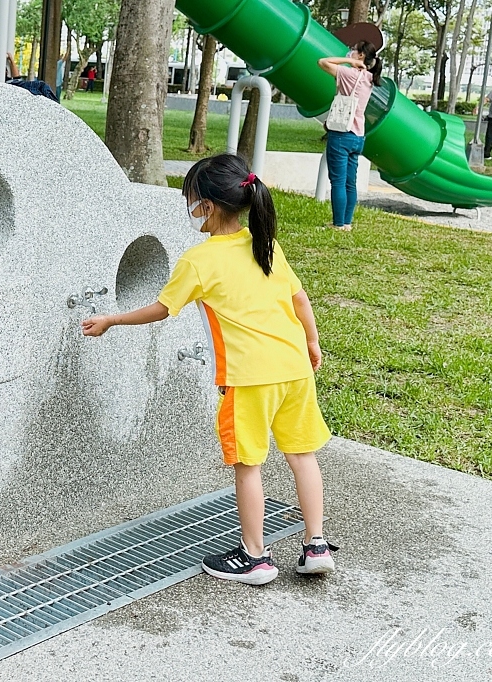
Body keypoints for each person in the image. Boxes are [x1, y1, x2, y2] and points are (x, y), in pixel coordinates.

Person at [81, 154, 337, 586]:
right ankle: (315, 545)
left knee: (248, 465)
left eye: (191, 199)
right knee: (301, 456)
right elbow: (300, 300)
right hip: (294, 368)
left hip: (247, 378)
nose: (190, 207)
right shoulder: (267, 245)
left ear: (208, 205)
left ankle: (255, 558)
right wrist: (312, 343)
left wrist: (111, 319)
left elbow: (161, 310)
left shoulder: (199, 261)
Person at [317, 41, 382, 231]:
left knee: (337, 181)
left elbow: (323, 62)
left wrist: (348, 62)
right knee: (349, 182)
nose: (350, 52)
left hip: (341, 134)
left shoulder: (349, 73)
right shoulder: (369, 78)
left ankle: (338, 224)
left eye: (354, 50)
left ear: (361, 55)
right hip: (358, 136)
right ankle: (346, 223)